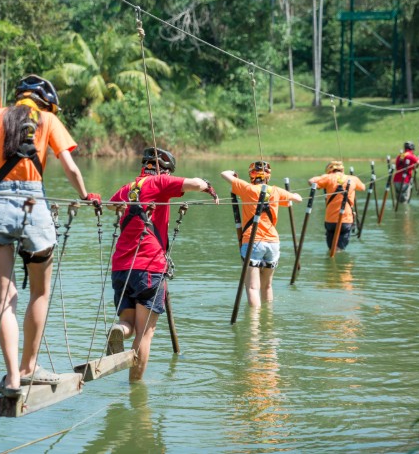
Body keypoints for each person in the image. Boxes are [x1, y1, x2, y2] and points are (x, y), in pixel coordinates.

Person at [0, 74, 100, 398]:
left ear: (18, 97)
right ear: (45, 103)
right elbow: (71, 168)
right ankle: (28, 368)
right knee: (39, 291)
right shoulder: (48, 120)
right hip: (34, 207)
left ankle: (11, 379)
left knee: (4, 299)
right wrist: (84, 194)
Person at [107, 147, 219, 382]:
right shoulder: (160, 182)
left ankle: (119, 330)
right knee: (145, 333)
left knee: (128, 323)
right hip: (149, 267)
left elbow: (110, 204)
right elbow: (195, 184)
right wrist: (209, 186)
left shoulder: (129, 188)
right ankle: (135, 386)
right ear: (165, 171)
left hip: (120, 266)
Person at [220, 161, 302, 309]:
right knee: (267, 286)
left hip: (253, 241)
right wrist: (292, 196)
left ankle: (254, 324)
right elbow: (298, 199)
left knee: (252, 287)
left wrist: (233, 174)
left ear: (251, 175)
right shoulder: (276, 191)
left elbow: (224, 174)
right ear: (268, 177)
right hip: (273, 243)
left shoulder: (247, 189)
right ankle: (268, 322)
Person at [308, 160, 365, 251]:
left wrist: (322, 183)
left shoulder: (327, 177)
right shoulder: (353, 179)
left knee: (331, 248)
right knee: (340, 248)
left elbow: (311, 181)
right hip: (346, 220)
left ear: (329, 170)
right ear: (342, 169)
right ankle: (337, 255)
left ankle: (333, 254)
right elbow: (363, 188)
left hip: (330, 220)